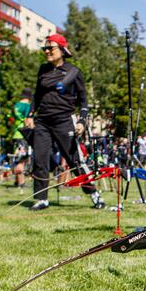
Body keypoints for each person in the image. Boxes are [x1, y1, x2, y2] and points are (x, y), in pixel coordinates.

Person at [25, 34, 94, 211]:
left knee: (74, 160)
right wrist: (30, 115)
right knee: (39, 160)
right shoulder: (43, 69)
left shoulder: (74, 72)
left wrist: (82, 121)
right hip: (43, 122)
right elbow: (37, 96)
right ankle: (41, 199)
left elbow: (84, 101)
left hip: (64, 120)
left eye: (51, 48)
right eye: (45, 48)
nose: (47, 51)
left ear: (62, 50)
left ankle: (94, 194)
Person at [12, 88, 32, 191]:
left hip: (15, 134)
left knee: (17, 158)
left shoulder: (16, 105)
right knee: (22, 160)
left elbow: (11, 119)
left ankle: (16, 181)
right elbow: (27, 121)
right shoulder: (27, 106)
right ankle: (21, 183)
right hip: (23, 135)